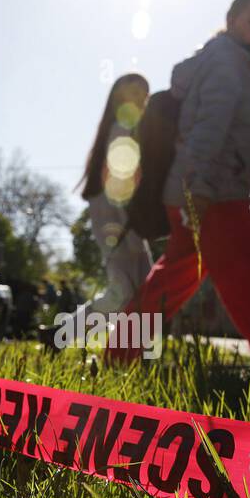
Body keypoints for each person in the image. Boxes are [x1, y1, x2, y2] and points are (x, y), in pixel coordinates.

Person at [107, 0, 250, 374]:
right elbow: (208, 129)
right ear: (232, 20)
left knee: (174, 279)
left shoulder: (223, 61)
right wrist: (199, 191)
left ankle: (116, 356)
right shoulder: (225, 63)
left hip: (205, 191)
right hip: (214, 195)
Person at [76, 73, 153, 316]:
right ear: (118, 97)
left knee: (142, 289)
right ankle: (62, 333)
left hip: (127, 221)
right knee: (125, 293)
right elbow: (119, 180)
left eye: (144, 93)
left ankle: (135, 348)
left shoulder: (132, 130)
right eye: (133, 91)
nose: (139, 98)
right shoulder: (120, 130)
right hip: (115, 218)